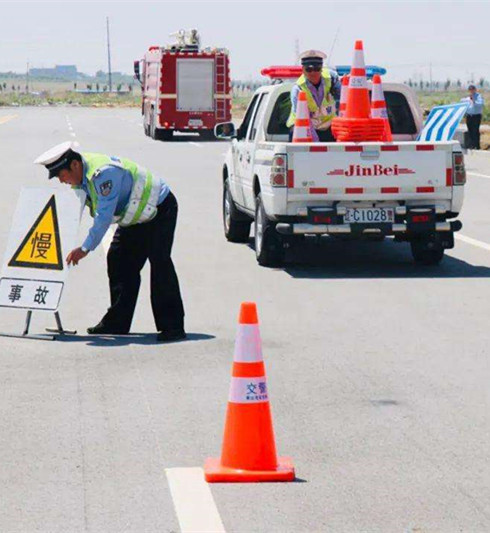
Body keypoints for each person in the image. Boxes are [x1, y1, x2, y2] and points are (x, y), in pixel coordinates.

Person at [34, 142, 185, 342]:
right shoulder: (80, 179)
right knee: (118, 259)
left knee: (160, 263)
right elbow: (74, 211)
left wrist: (85, 248)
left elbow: (103, 217)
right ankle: (118, 322)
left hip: (159, 209)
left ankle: (173, 327)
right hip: (134, 217)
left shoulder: (103, 175)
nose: (62, 181)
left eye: (62, 175)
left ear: (75, 165)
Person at [286, 50, 341, 142]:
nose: (313, 73)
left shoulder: (332, 78)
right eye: (309, 69)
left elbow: (344, 102)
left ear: (322, 68)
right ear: (303, 69)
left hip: (327, 127)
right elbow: (305, 119)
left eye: (317, 69)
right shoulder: (298, 89)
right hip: (304, 128)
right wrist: (316, 144)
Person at [462, 84, 484, 149]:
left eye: (472, 89)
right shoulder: (468, 98)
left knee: (475, 131)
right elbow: (464, 103)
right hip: (469, 116)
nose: (471, 90)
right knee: (470, 130)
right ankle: (472, 145)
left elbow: (480, 104)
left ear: (475, 89)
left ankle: (477, 145)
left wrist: (474, 101)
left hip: (476, 116)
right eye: (470, 89)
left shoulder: (479, 97)